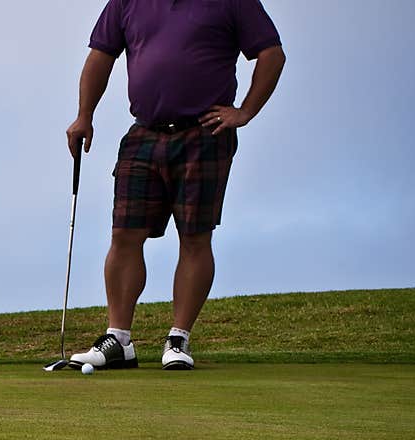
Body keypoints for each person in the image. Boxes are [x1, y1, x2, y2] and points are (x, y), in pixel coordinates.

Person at [66, 0, 285, 370]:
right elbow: (100, 57)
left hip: (205, 133)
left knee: (196, 236)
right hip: (145, 133)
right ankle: (118, 339)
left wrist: (244, 111)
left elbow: (271, 54)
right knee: (124, 235)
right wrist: (84, 115)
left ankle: (178, 339)